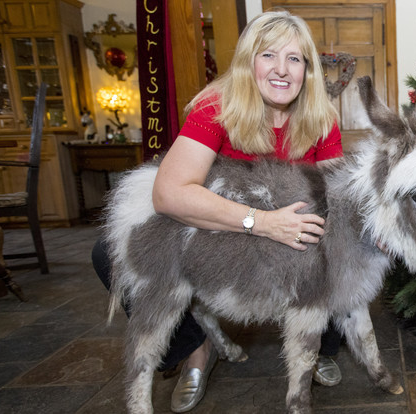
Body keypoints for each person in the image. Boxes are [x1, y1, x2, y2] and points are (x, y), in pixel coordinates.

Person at [91, 10, 344, 413]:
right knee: (107, 256)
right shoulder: (216, 108)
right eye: (268, 56)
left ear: (307, 70)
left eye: (294, 59)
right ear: (248, 62)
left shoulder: (322, 118)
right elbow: (170, 193)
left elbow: (338, 197)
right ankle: (195, 347)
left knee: (339, 256)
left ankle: (321, 348)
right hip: (230, 226)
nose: (281, 70)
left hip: (296, 232)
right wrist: (261, 222)